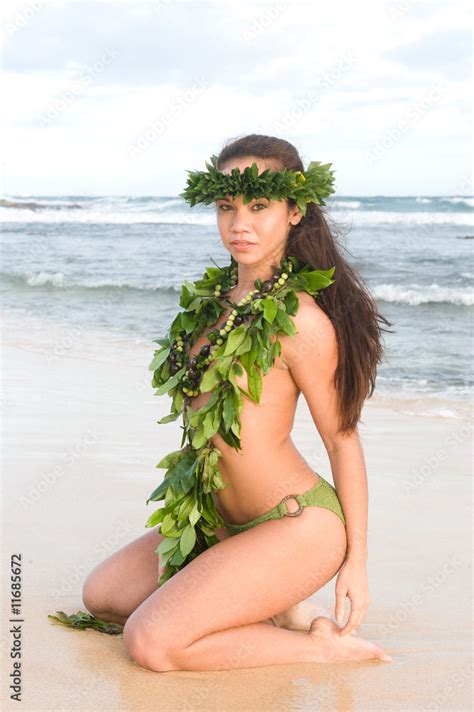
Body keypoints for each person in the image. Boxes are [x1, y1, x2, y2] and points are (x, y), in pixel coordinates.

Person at [82, 134, 394, 671]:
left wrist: (357, 563)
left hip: (295, 524)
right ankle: (272, 604)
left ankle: (319, 648)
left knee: (150, 644)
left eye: (258, 206)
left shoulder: (302, 322)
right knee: (103, 595)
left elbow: (342, 443)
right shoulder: (209, 307)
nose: (238, 224)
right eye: (226, 207)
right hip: (217, 522)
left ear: (295, 211)